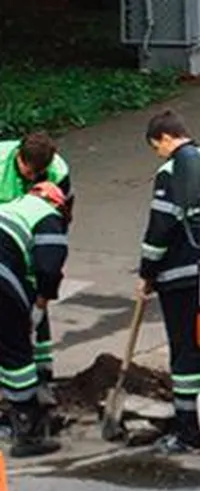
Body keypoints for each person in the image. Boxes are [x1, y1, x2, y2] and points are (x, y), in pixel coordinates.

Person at [137, 110, 200, 454]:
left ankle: (190, 433)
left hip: (178, 277)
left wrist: (147, 272)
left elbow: (160, 228)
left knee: (185, 351)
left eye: (155, 148)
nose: (158, 154)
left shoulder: (171, 171)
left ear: (163, 138)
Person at [0, 133, 73, 405]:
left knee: (31, 306)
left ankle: (41, 373)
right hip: (8, 246)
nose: (31, 176)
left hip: (23, 242)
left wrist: (48, 253)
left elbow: (64, 214)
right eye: (27, 170)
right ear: (18, 156)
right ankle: (24, 415)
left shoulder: (57, 171)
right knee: (14, 325)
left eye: (37, 174)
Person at [0, 182, 72, 458]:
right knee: (16, 353)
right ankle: (27, 433)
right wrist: (41, 301)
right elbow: (49, 267)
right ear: (58, 204)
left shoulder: (10, 208)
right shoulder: (47, 215)